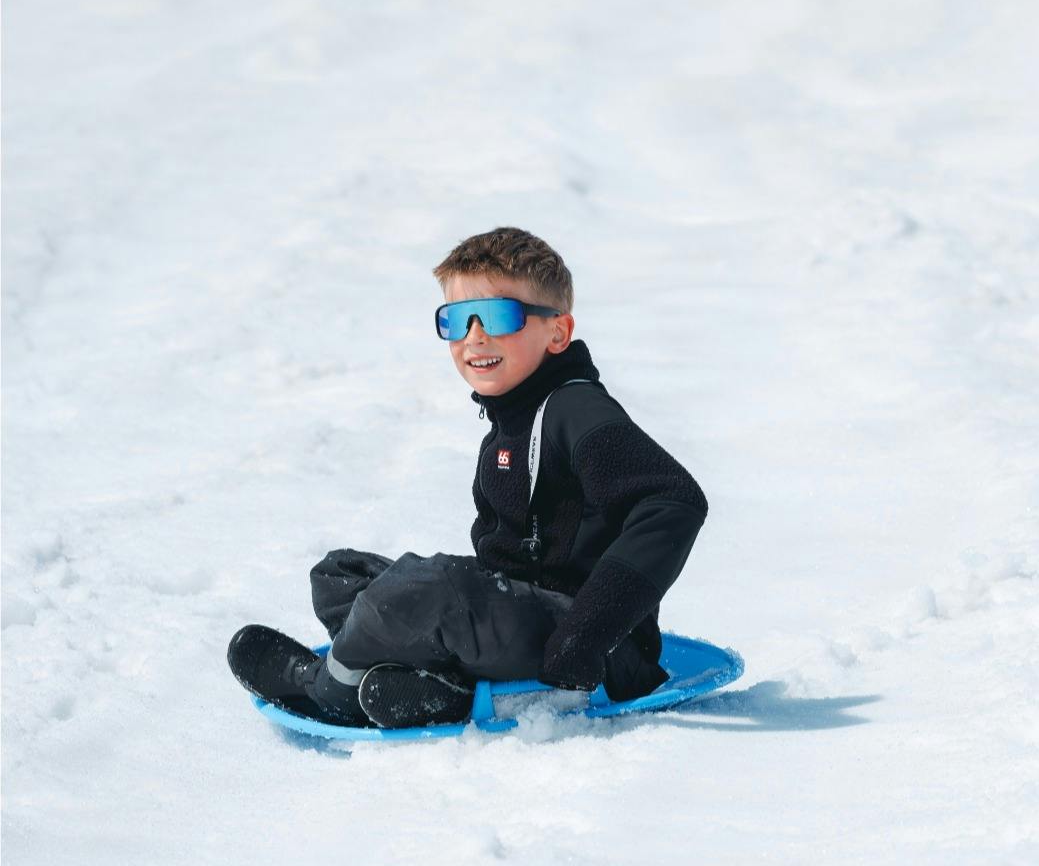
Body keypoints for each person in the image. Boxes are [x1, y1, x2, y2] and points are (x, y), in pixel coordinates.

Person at [228, 226, 709, 728]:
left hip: (594, 654)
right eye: (457, 320)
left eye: (499, 316)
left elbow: (673, 500)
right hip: (524, 624)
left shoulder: (576, 409)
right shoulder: (509, 421)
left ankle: (329, 688)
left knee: (428, 588)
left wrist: (585, 634)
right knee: (341, 576)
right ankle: (437, 690)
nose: (475, 336)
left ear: (558, 332)